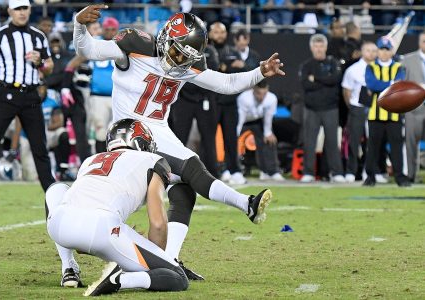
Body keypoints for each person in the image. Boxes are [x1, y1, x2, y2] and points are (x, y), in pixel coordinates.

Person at [73, 5, 283, 281]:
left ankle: (168, 259)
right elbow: (88, 50)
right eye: (175, 52)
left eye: (185, 57)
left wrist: (260, 72)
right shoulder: (135, 45)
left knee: (184, 190)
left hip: (158, 129)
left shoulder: (188, 64)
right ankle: (246, 203)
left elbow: (227, 83)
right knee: (190, 166)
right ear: (164, 39)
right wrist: (79, 25)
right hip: (129, 131)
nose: (177, 62)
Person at [46, 118, 189, 296]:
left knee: (56, 189)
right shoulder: (153, 160)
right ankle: (120, 280)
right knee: (177, 277)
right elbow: (158, 223)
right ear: (140, 142)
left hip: (59, 225)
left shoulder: (91, 160)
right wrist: (155, 261)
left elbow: (82, 246)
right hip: (100, 228)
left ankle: (69, 269)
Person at [0, 0, 55, 207]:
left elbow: (49, 67)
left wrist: (40, 62)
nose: (21, 12)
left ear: (30, 10)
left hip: (30, 96)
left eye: (25, 8)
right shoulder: (0, 35)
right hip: (7, 94)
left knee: (40, 148)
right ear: (9, 10)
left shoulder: (38, 36)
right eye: (17, 8)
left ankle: (53, 193)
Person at [62, 17, 119, 155]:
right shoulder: (95, 43)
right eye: (107, 29)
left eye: (113, 30)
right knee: (100, 130)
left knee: (119, 133)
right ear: (102, 29)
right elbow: (72, 64)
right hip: (97, 96)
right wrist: (65, 86)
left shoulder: (123, 44)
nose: (110, 32)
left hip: (118, 96)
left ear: (117, 30)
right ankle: (101, 161)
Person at [363, 37, 410, 187]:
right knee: (373, 147)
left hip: (394, 114)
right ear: (377, 51)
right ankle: (370, 177)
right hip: (375, 114)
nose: (384, 52)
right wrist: (390, 84)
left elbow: (398, 86)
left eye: (386, 49)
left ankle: (400, 177)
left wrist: (387, 86)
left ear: (391, 51)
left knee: (396, 147)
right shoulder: (370, 67)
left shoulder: (398, 67)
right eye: (381, 49)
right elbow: (372, 84)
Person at [298, 34, 345, 183]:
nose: (318, 49)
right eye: (316, 46)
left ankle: (336, 172)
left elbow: (335, 80)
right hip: (311, 109)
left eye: (321, 46)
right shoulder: (306, 65)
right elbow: (306, 85)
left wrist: (316, 79)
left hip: (330, 108)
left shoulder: (334, 63)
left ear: (325, 47)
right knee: (309, 142)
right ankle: (308, 172)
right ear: (311, 47)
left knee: (332, 142)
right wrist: (325, 80)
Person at [170, 43, 220, 178]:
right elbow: (174, 70)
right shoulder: (179, 49)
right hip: (184, 98)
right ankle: (174, 171)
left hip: (205, 98)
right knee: (179, 137)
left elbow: (213, 71)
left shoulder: (209, 50)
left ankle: (212, 172)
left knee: (209, 138)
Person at [209, 22, 247, 185]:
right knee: (209, 139)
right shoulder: (206, 51)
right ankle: (214, 170)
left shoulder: (233, 51)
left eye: (222, 32)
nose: (219, 35)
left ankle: (235, 170)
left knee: (231, 138)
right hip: (211, 101)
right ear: (210, 34)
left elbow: (240, 73)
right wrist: (228, 68)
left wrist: (225, 68)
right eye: (216, 32)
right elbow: (211, 72)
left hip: (230, 102)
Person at [341, 41, 377, 182]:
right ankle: (351, 171)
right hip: (357, 108)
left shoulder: (380, 68)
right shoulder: (353, 69)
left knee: (372, 142)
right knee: (354, 141)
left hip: (375, 108)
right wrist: (353, 107)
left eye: (374, 50)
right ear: (362, 52)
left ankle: (370, 172)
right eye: (368, 50)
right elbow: (346, 91)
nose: (371, 53)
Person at [237, 80, 285, 181]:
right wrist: (235, 134)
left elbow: (268, 117)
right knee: (230, 141)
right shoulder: (244, 98)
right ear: (253, 90)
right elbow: (240, 119)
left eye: (264, 93)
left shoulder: (271, 99)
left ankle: (270, 171)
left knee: (270, 139)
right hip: (243, 121)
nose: (261, 97)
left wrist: (268, 133)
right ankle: (231, 170)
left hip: (258, 121)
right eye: (259, 93)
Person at [402, 31, 425, 183]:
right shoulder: (407, 60)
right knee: (411, 143)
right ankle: (410, 175)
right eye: (424, 41)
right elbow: (400, 85)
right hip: (414, 109)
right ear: (419, 42)